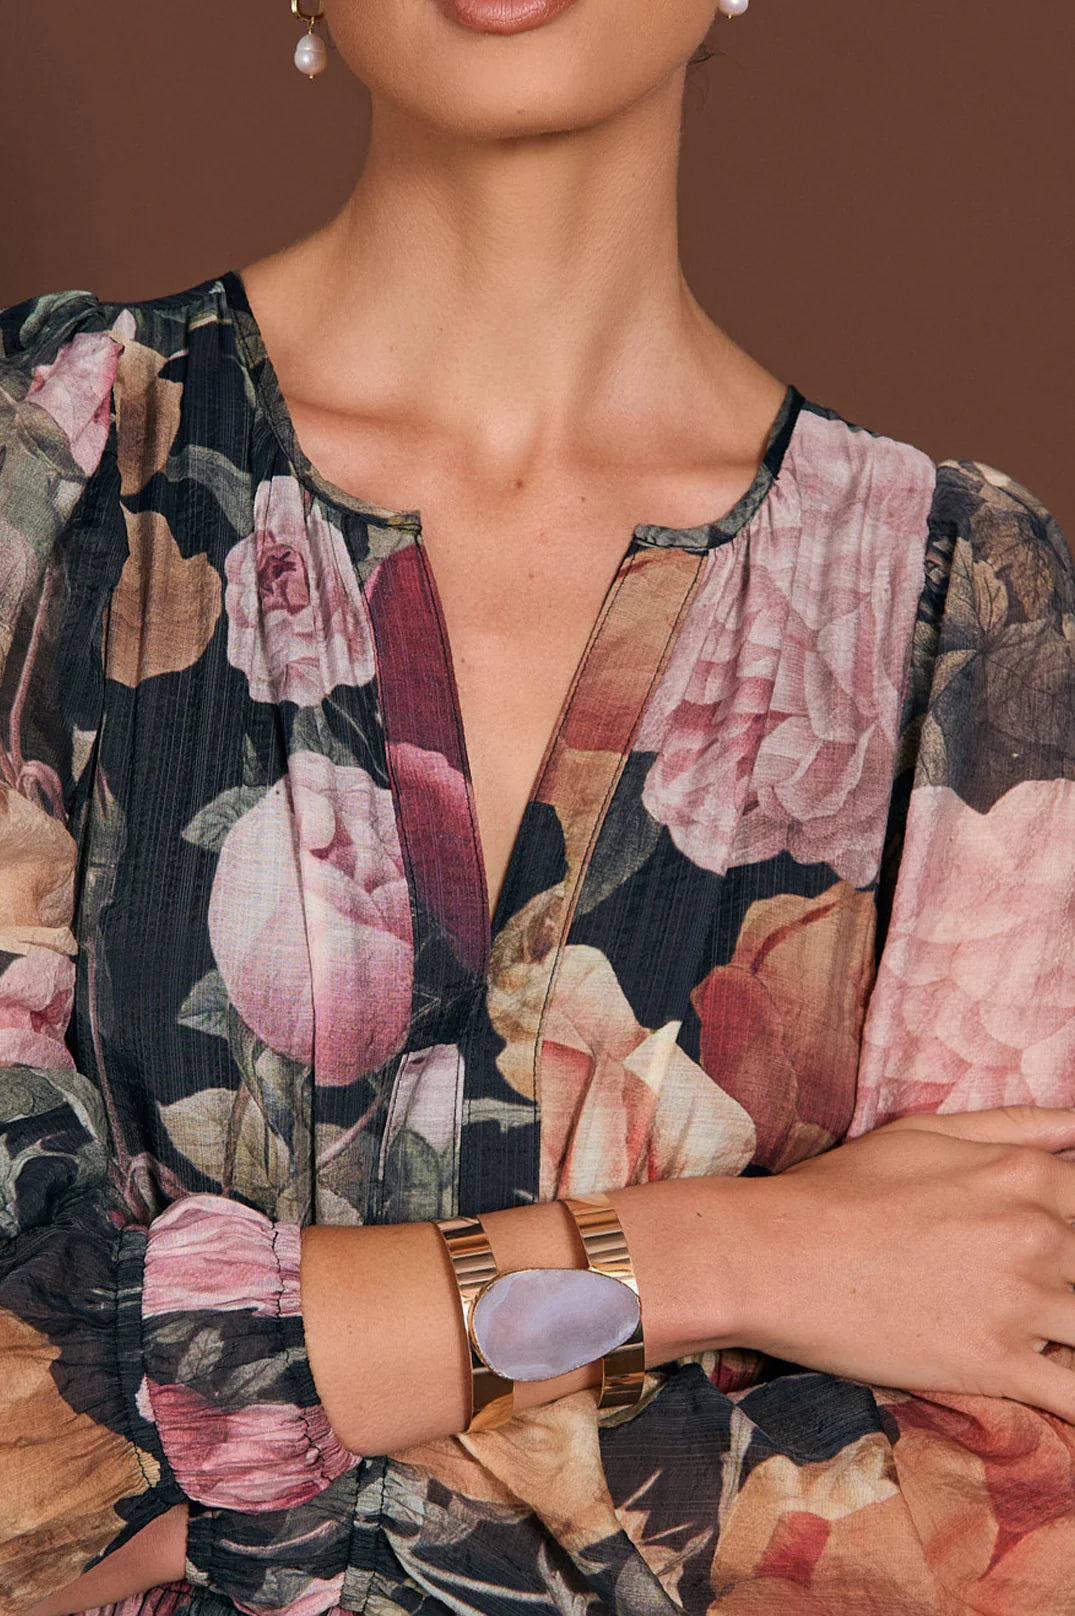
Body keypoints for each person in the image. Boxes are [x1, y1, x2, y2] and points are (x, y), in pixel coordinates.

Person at [2, 0, 1074, 1612]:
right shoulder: (50, 458)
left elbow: (1003, 1495)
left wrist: (241, 1492)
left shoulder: (960, 597)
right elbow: (20, 1417)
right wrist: (737, 1258)